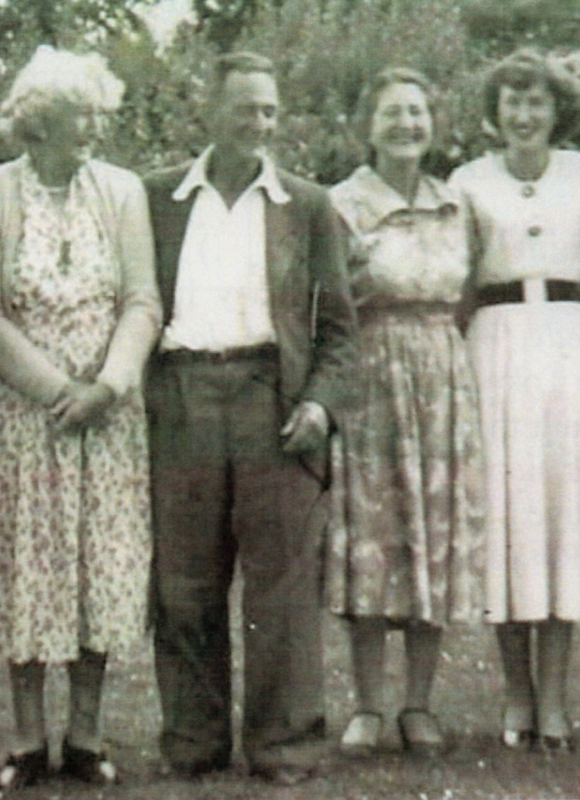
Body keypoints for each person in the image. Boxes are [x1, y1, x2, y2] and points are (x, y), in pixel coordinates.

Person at [0, 46, 160, 792]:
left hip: (106, 415)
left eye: (100, 115)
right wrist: (52, 390)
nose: (93, 129)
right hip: (20, 414)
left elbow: (142, 301)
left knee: (98, 568)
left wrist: (106, 384)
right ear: (37, 124)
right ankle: (27, 740)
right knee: (26, 571)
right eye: (80, 118)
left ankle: (86, 736)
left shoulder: (123, 190)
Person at [145, 51, 356, 786]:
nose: (259, 124)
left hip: (275, 401)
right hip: (180, 396)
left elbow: (339, 331)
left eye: (269, 111)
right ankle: (194, 743)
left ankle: (284, 746)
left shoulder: (308, 204)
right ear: (211, 109)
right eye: (246, 109)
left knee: (283, 589)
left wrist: (321, 404)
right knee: (183, 584)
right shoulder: (155, 198)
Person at [449, 50, 580, 753]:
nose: (524, 116)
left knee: (559, 516)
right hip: (494, 345)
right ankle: (515, 693)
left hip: (567, 345)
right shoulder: (467, 182)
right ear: (495, 115)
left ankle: (554, 699)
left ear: (558, 111)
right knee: (507, 512)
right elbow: (461, 279)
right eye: (512, 104)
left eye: (537, 104)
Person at [324, 67, 484, 759]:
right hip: (371, 380)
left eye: (417, 113)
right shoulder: (341, 205)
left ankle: (419, 705)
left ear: (433, 124)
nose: (406, 125)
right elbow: (329, 302)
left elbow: (468, 294)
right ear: (367, 125)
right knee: (373, 539)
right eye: (391, 113)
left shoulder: (458, 204)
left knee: (434, 538)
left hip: (442, 377)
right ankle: (366, 706)